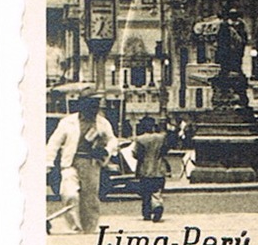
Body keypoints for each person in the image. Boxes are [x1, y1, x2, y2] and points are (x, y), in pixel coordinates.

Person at [45, 94, 117, 233]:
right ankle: (75, 227)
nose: (95, 109)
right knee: (70, 194)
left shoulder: (102, 123)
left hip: (91, 163)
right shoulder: (67, 122)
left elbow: (112, 140)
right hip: (71, 163)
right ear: (82, 105)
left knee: (90, 198)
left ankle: (89, 229)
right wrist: (48, 162)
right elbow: (54, 142)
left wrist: (106, 150)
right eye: (92, 104)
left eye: (97, 105)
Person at [132, 115, 172, 223]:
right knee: (157, 190)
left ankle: (147, 213)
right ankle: (157, 205)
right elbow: (165, 150)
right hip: (159, 168)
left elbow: (136, 154)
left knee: (146, 193)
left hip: (145, 168)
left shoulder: (140, 139)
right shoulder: (161, 137)